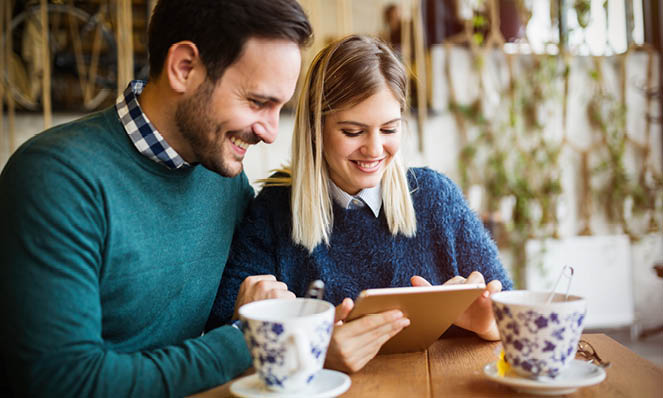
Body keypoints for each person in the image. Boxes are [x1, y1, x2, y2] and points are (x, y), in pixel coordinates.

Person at [0, 1, 311, 396]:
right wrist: (245, 338)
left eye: (280, 107)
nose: (270, 131)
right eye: (257, 102)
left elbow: (285, 264)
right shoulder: (56, 179)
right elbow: (67, 382)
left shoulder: (222, 174)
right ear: (184, 67)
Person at [206, 35, 514, 373]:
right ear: (316, 129)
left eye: (389, 129)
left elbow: (513, 317)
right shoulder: (273, 212)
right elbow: (223, 338)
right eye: (353, 132)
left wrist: (487, 324)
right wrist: (314, 351)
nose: (374, 149)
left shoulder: (435, 198)